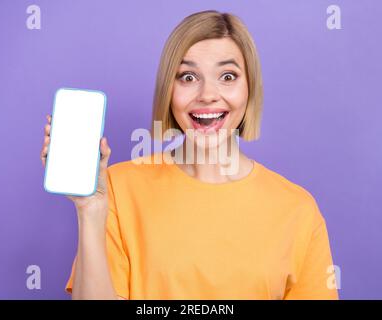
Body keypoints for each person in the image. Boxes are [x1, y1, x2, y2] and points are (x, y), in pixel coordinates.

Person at [40, 10, 339, 300]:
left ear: (250, 89)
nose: (207, 94)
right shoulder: (117, 188)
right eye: (187, 77)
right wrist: (90, 212)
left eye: (227, 76)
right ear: (168, 91)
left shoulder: (298, 211)